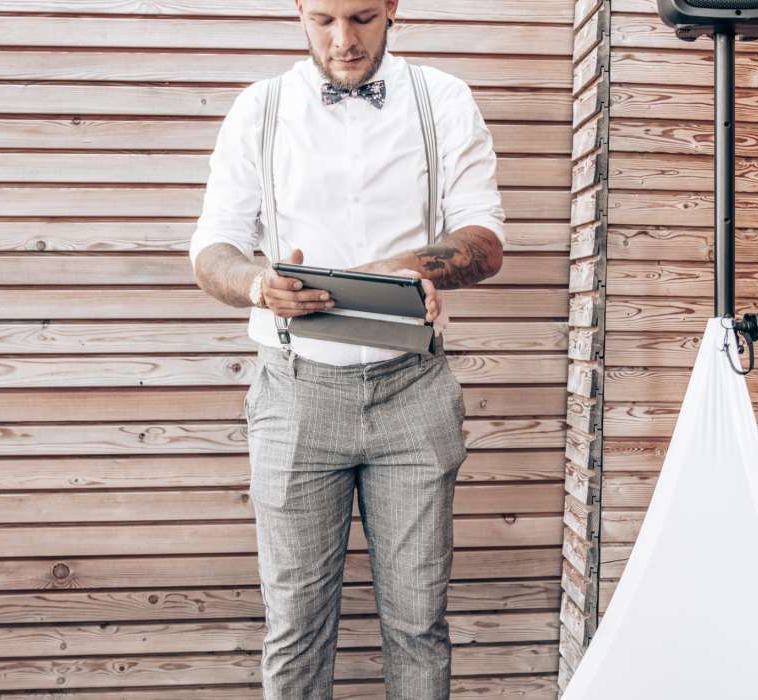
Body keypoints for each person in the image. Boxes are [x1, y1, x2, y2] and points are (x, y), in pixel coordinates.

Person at [188, 0, 506, 697]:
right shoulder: (259, 109)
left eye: (362, 17)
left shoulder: (443, 100)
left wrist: (402, 271)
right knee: (295, 627)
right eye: (324, 19)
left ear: (392, 7)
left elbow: (484, 240)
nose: (343, 41)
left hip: (413, 391)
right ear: (300, 10)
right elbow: (213, 248)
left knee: (419, 625)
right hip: (296, 393)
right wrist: (258, 285)